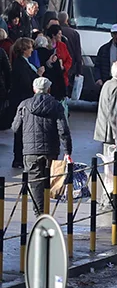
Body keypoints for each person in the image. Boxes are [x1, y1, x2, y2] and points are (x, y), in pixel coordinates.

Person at [12, 75, 70, 212]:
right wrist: (68, 151)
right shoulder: (56, 106)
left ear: (34, 89)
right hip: (51, 150)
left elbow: (15, 128)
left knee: (35, 183)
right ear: (48, 89)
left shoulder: (24, 105)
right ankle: (45, 212)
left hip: (30, 151)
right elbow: (63, 130)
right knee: (49, 180)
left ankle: (40, 214)